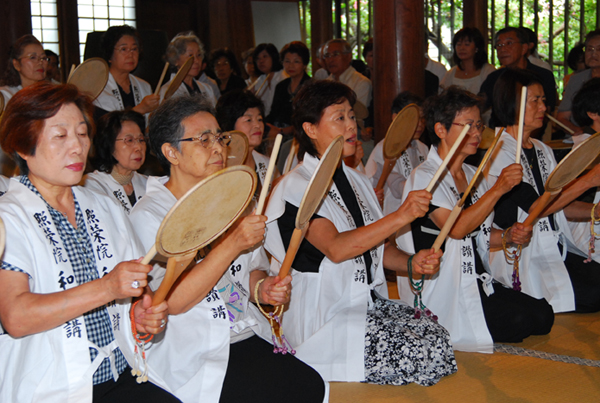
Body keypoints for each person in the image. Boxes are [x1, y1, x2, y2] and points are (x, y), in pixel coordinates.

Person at [129, 95, 326, 403]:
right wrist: (233, 243)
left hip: (242, 330)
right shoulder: (150, 214)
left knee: (310, 385)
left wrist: (263, 289)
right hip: (192, 344)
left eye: (219, 138)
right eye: (203, 140)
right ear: (171, 152)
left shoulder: (233, 201)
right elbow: (171, 302)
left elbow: (252, 271)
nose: (218, 148)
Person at [264, 80, 456, 385]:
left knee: (437, 337)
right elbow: (337, 248)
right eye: (339, 117)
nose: (351, 125)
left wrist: (411, 262)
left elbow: (378, 248)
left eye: (351, 116)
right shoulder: (296, 186)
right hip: (324, 313)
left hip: (365, 303)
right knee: (416, 354)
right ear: (310, 129)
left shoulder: (357, 179)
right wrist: (400, 215)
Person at [0, 82, 177, 402]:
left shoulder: (103, 205)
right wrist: (107, 288)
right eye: (60, 136)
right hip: (52, 389)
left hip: (123, 373)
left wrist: (141, 314)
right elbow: (16, 316)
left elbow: (138, 287)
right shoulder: (7, 217)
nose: (77, 147)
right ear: (24, 147)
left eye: (82, 134)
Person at [396, 86, 554, 353]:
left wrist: (507, 236)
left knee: (543, 314)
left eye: (479, 125)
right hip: (445, 287)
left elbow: (480, 234)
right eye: (468, 126)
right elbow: (457, 229)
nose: (477, 133)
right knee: (519, 321)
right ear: (441, 129)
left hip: (478, 280)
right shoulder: (424, 176)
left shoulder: (472, 173)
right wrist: (498, 189)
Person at [486, 69, 600, 314]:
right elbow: (538, 207)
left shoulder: (542, 149)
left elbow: (561, 205)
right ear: (512, 103)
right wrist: (588, 181)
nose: (543, 107)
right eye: (534, 100)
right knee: (593, 295)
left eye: (543, 100)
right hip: (521, 252)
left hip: (554, 244)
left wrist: (594, 210)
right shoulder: (498, 152)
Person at [365, 92, 428, 216]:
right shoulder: (385, 148)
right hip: (391, 214)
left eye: (422, 118)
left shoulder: (423, 148)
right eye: (414, 118)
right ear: (396, 118)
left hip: (417, 212)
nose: (420, 123)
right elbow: (397, 188)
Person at [479, 27, 557, 128]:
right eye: (499, 45)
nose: (502, 49)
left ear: (524, 48)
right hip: (498, 133)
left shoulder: (543, 75)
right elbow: (480, 105)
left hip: (533, 132)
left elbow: (546, 111)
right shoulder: (494, 78)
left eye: (509, 43)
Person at [85, 110, 148, 214]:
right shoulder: (91, 186)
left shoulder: (149, 184)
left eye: (141, 140)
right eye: (129, 140)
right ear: (109, 145)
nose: (138, 147)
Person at [94, 25, 159, 118]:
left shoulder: (144, 86)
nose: (130, 55)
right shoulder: (98, 88)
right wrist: (141, 109)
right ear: (109, 54)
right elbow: (105, 123)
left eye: (134, 49)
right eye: (124, 49)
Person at [216, 89, 279, 187]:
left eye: (260, 119)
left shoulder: (267, 164)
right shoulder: (219, 167)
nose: (257, 125)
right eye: (248, 120)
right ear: (229, 125)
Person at [557, 30, 600, 135]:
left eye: (599, 49)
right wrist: (577, 131)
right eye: (589, 49)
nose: (593, 53)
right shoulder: (576, 80)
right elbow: (562, 117)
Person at [266, 41, 311, 139]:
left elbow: (310, 118)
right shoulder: (281, 86)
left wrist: (284, 131)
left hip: (300, 134)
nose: (291, 66)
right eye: (287, 61)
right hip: (277, 131)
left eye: (296, 61)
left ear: (304, 64)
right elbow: (273, 113)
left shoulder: (310, 86)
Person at [158, 31, 217, 106]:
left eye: (199, 55)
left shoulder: (207, 88)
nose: (196, 61)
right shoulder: (167, 90)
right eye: (190, 55)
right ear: (175, 59)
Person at [440, 27, 496, 95]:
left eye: (467, 44)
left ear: (477, 48)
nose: (461, 48)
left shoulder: (487, 71)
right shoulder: (451, 73)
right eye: (458, 44)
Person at [324, 39, 372, 110]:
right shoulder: (326, 83)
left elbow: (359, 112)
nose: (330, 60)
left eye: (335, 55)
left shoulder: (361, 83)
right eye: (327, 55)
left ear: (349, 57)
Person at [0, 34, 48, 105]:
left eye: (43, 58)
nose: (40, 62)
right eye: (32, 57)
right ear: (17, 64)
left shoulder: (50, 93)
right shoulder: (5, 96)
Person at [249, 43, 288, 116]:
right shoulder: (261, 79)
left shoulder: (283, 76)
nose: (261, 61)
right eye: (258, 58)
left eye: (265, 56)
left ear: (273, 57)